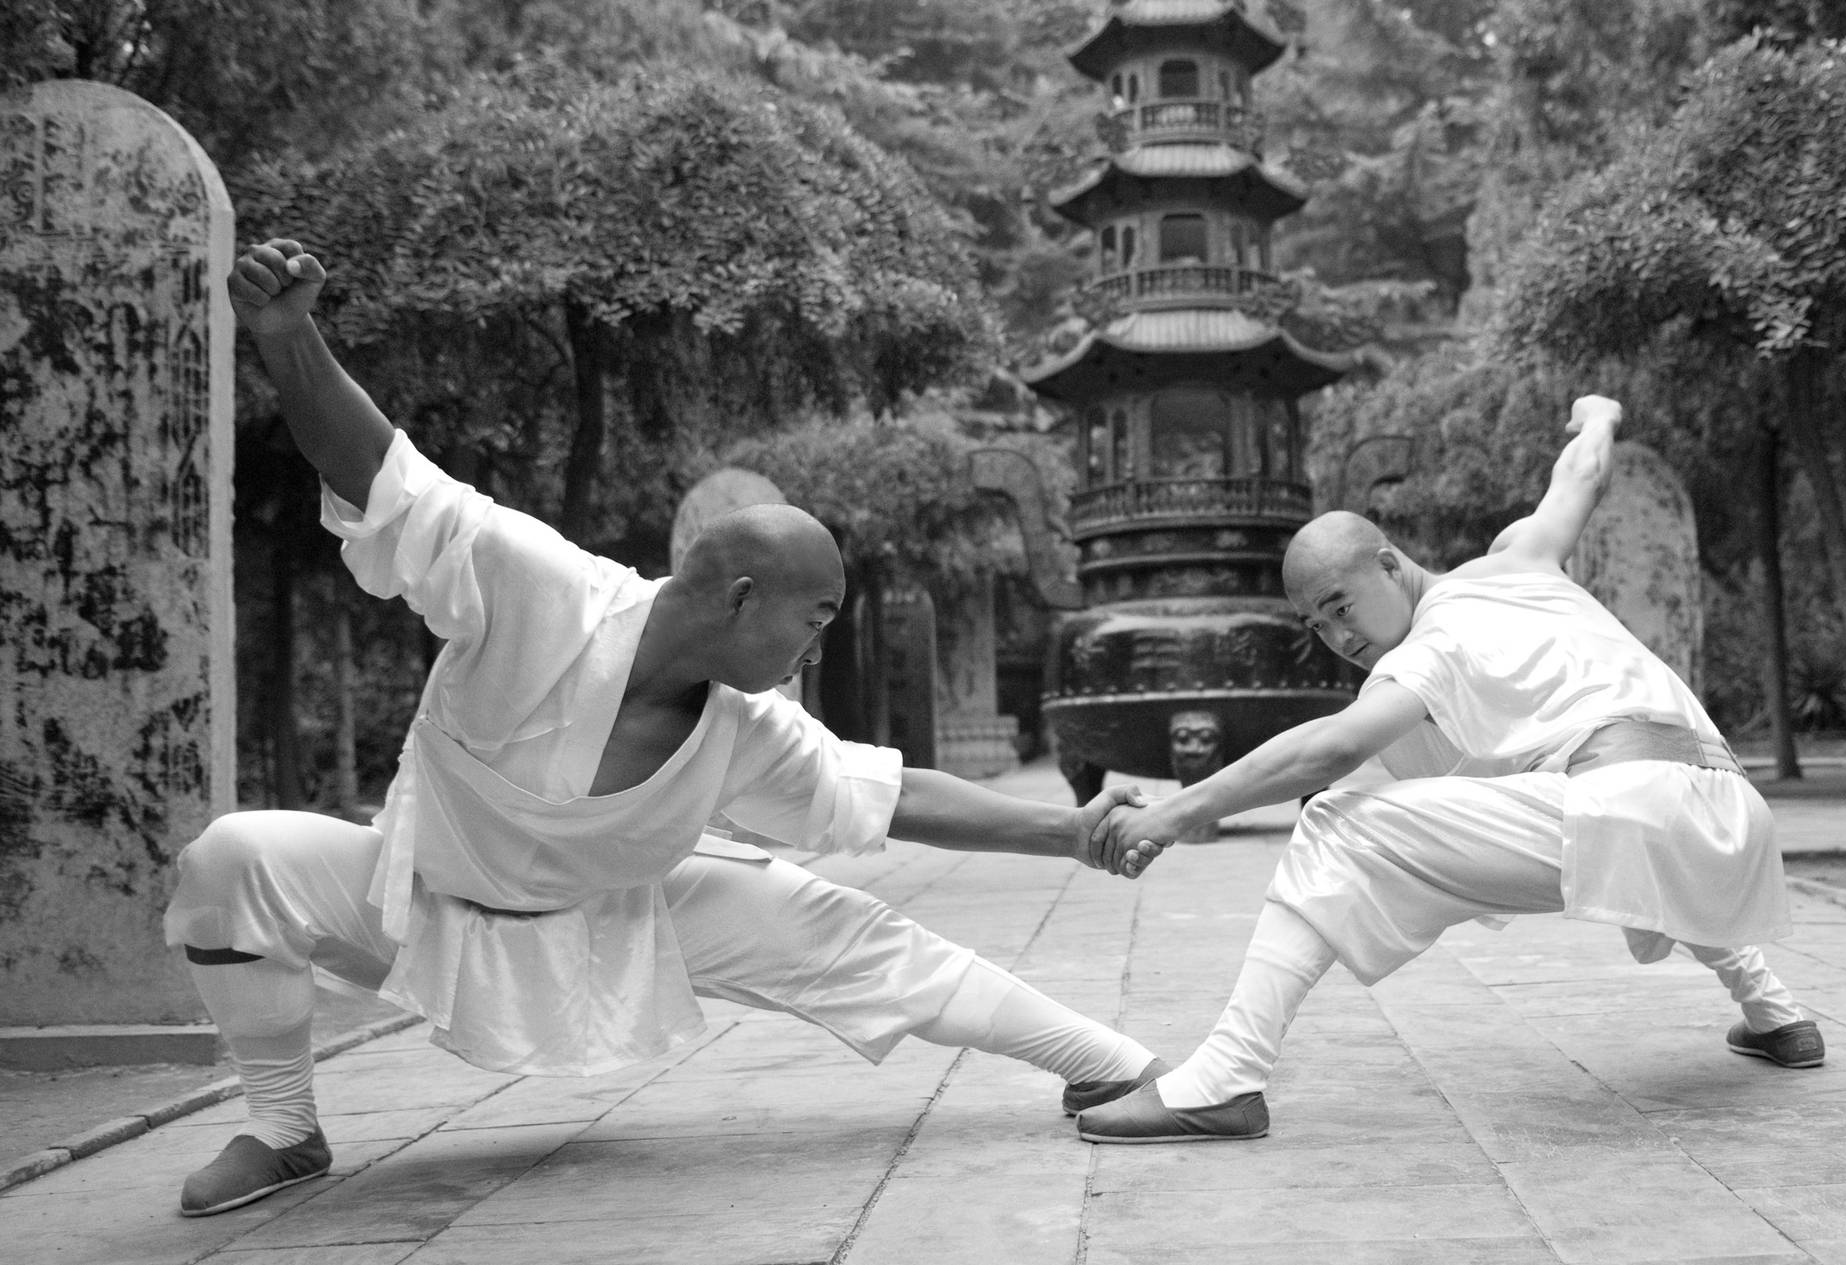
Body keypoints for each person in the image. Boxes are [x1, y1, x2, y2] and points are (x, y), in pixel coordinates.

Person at [166, 238, 1170, 1217]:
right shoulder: (541, 586)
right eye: (814, 620)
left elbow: (888, 791)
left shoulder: (747, 722)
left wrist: (1071, 831)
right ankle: (286, 1126)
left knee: (851, 934)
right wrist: (289, 339)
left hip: (622, 916)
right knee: (230, 858)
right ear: (740, 595)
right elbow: (387, 474)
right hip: (417, 898)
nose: (815, 649)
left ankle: (1113, 1063)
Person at [1077, 394, 1822, 1145]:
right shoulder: (1519, 559)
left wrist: (1175, 811)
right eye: (1318, 625)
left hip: (1632, 801)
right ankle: (1777, 1014)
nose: (1340, 636)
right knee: (1627, 824)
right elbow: (1583, 476)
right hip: (1730, 812)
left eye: (1342, 606)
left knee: (1333, 822)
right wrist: (1600, 415)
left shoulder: (1426, 650)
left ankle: (1224, 1079)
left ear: (1390, 564)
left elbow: (1332, 750)